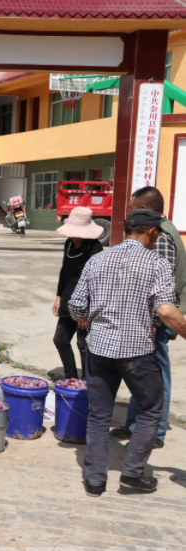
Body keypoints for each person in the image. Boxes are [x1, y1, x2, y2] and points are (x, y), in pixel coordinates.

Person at [68, 209, 186, 497]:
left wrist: (91, 318)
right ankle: (132, 474)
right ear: (152, 232)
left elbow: (76, 305)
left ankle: (95, 482)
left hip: (99, 349)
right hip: (136, 352)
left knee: (99, 415)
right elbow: (166, 310)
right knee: (152, 407)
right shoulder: (156, 263)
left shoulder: (98, 259)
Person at [111, 186, 186, 450]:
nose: (130, 214)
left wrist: (154, 323)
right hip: (154, 319)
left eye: (132, 209)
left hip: (159, 320)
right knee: (143, 374)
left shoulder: (160, 235)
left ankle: (154, 432)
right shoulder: (163, 229)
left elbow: (161, 289)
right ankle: (135, 426)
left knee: (156, 375)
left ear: (145, 210)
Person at [53, 207, 103, 380]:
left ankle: (87, 382)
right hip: (68, 298)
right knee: (60, 340)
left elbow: (95, 282)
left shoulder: (95, 248)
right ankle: (71, 377)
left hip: (86, 303)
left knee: (83, 345)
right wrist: (58, 298)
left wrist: (85, 312)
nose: (74, 236)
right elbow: (64, 271)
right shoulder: (68, 244)